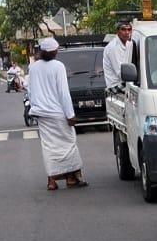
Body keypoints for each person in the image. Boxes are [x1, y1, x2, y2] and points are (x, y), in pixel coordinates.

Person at [26, 38, 87, 190]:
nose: (56, 52)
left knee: (49, 147)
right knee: (69, 144)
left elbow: (30, 91)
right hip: (58, 113)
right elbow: (63, 93)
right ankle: (71, 179)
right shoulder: (58, 66)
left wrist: (35, 109)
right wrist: (70, 115)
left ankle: (51, 181)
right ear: (52, 51)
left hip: (42, 114)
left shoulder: (33, 67)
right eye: (56, 50)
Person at [102, 20, 136, 92]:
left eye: (129, 29)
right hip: (115, 86)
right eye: (123, 29)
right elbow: (120, 73)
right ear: (117, 31)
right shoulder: (112, 47)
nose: (127, 32)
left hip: (125, 83)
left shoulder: (129, 44)